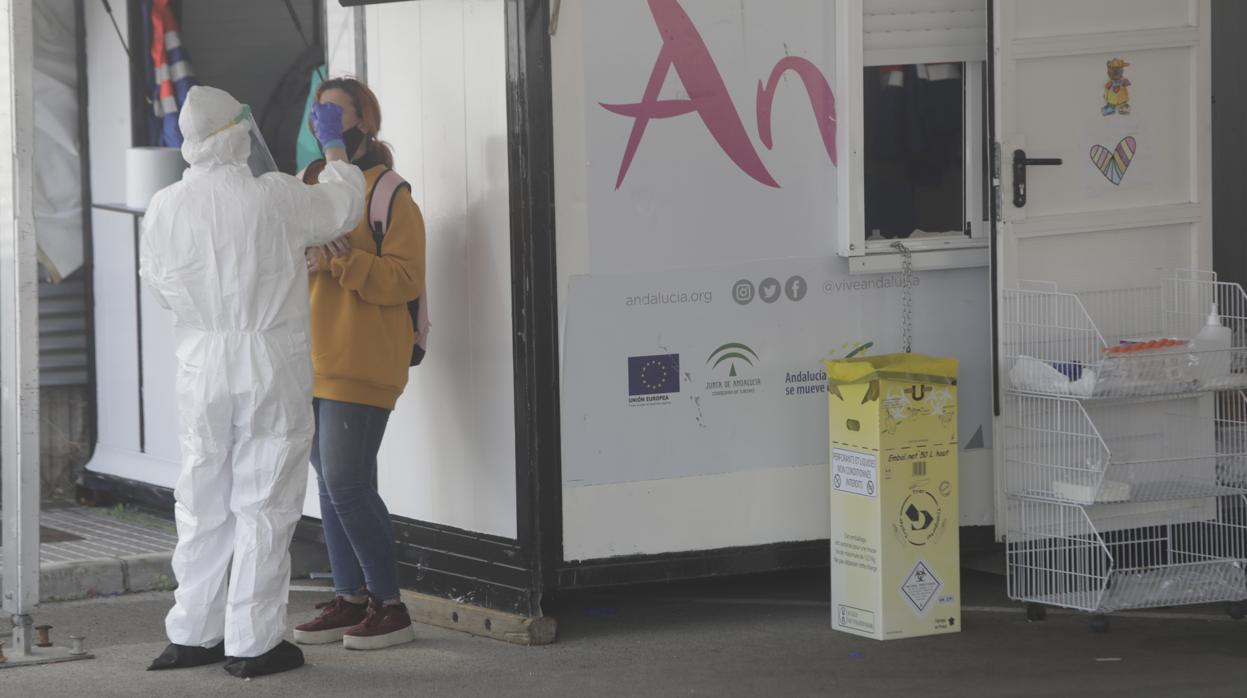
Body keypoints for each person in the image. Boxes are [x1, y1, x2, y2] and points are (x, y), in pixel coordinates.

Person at [139, 85, 365, 678]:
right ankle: (253, 641)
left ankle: (192, 632)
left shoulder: (164, 206)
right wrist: (335, 148)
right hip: (266, 358)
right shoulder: (276, 197)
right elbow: (341, 208)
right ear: (238, 134)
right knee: (264, 500)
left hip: (200, 362)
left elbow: (158, 285)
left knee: (201, 498)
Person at [291, 77, 425, 650]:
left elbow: (405, 278)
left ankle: (389, 604)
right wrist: (310, 258)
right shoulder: (309, 185)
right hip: (313, 358)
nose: (322, 119)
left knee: (345, 481)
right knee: (332, 482)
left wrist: (346, 265)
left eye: (334, 111)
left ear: (364, 122)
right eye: (317, 109)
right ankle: (349, 598)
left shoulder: (389, 193)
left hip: (363, 359)